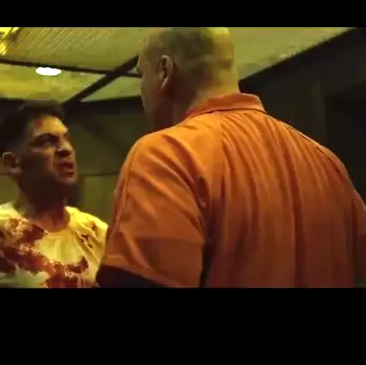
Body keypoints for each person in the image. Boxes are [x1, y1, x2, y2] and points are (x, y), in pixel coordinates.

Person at [97, 27, 366, 288]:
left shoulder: (165, 155)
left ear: (165, 72)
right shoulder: (328, 163)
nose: (142, 90)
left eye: (141, 75)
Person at [0, 101, 108, 288]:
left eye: (66, 138)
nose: (66, 149)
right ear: (13, 163)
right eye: (47, 141)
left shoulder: (97, 234)